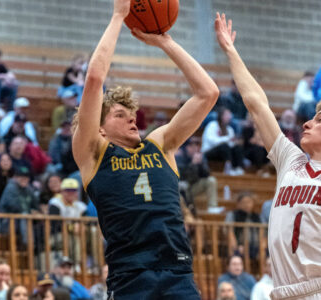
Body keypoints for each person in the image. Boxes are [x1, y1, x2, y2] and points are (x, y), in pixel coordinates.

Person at [215, 13, 321, 299]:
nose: (307, 123)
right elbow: (256, 104)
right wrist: (231, 51)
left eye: (320, 119)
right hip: (285, 292)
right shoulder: (290, 160)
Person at [71, 1, 219, 298]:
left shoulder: (160, 145)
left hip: (177, 273)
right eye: (118, 114)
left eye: (131, 113)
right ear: (100, 128)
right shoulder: (93, 154)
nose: (131, 118)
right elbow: (95, 80)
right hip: (130, 277)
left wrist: (166, 41)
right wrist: (117, 17)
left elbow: (208, 92)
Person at [176, 136, 218, 208]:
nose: (194, 148)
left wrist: (201, 164)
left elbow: (207, 174)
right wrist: (193, 165)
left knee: (211, 180)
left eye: (197, 145)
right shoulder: (179, 158)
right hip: (182, 189)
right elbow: (186, 178)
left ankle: (212, 207)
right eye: (191, 145)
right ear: (185, 147)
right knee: (184, 185)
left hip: (193, 187)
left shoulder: (200, 157)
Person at [202, 107, 245, 175]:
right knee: (224, 146)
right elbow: (211, 141)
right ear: (221, 116)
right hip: (209, 151)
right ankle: (228, 167)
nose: (229, 116)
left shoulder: (230, 129)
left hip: (223, 153)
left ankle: (238, 168)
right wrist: (227, 139)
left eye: (229, 115)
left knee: (237, 148)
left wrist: (235, 142)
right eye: (227, 114)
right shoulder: (212, 125)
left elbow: (230, 144)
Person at [225, 193, 261, 257]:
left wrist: (261, 249)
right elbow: (229, 232)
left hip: (256, 248)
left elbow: (263, 234)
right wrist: (236, 248)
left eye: (249, 202)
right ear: (238, 204)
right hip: (240, 247)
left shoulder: (257, 216)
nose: (246, 205)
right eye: (244, 202)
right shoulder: (233, 215)